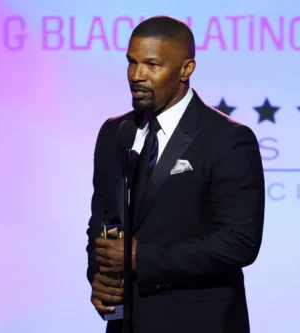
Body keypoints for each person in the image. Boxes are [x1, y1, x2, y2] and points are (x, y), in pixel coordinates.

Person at [86, 15, 265, 333]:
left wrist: (143, 258)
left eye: (152, 65)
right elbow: (101, 223)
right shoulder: (115, 132)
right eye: (131, 62)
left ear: (186, 69)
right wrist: (100, 278)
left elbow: (239, 243)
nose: (136, 75)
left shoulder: (226, 138)